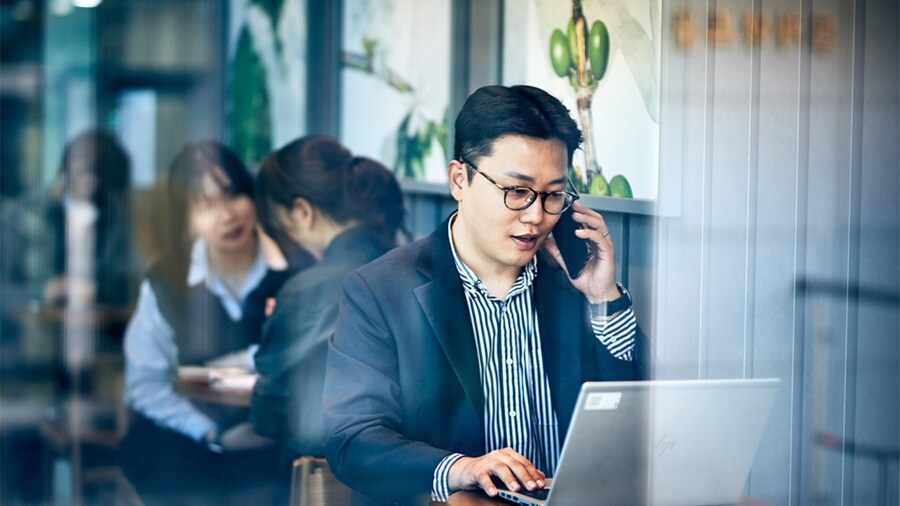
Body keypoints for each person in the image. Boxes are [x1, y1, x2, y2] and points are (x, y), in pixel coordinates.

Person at [323, 84, 650, 505]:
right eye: (517, 191)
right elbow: (353, 440)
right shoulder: (380, 291)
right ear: (460, 180)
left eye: (553, 195)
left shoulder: (574, 286)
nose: (536, 216)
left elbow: (647, 423)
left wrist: (603, 297)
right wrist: (459, 469)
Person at [117, 141, 292, 505]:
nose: (227, 215)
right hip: (185, 434)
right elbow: (146, 385)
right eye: (205, 204)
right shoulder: (167, 279)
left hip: (271, 438)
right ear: (185, 217)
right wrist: (211, 434)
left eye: (232, 194)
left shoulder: (292, 270)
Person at [248, 134, 407, 465]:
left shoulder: (307, 290)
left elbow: (268, 413)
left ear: (303, 212)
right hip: (419, 470)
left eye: (282, 226)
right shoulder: (417, 269)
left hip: (325, 471)